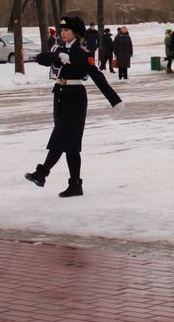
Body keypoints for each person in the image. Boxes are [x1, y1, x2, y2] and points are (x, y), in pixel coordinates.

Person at [25, 16, 123, 197]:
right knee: (71, 144)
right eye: (62, 30)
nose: (63, 33)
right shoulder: (60, 49)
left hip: (75, 99)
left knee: (60, 137)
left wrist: (114, 100)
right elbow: (41, 58)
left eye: (67, 30)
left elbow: (97, 76)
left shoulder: (83, 53)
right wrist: (57, 56)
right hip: (60, 96)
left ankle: (42, 173)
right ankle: (75, 184)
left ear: (76, 33)